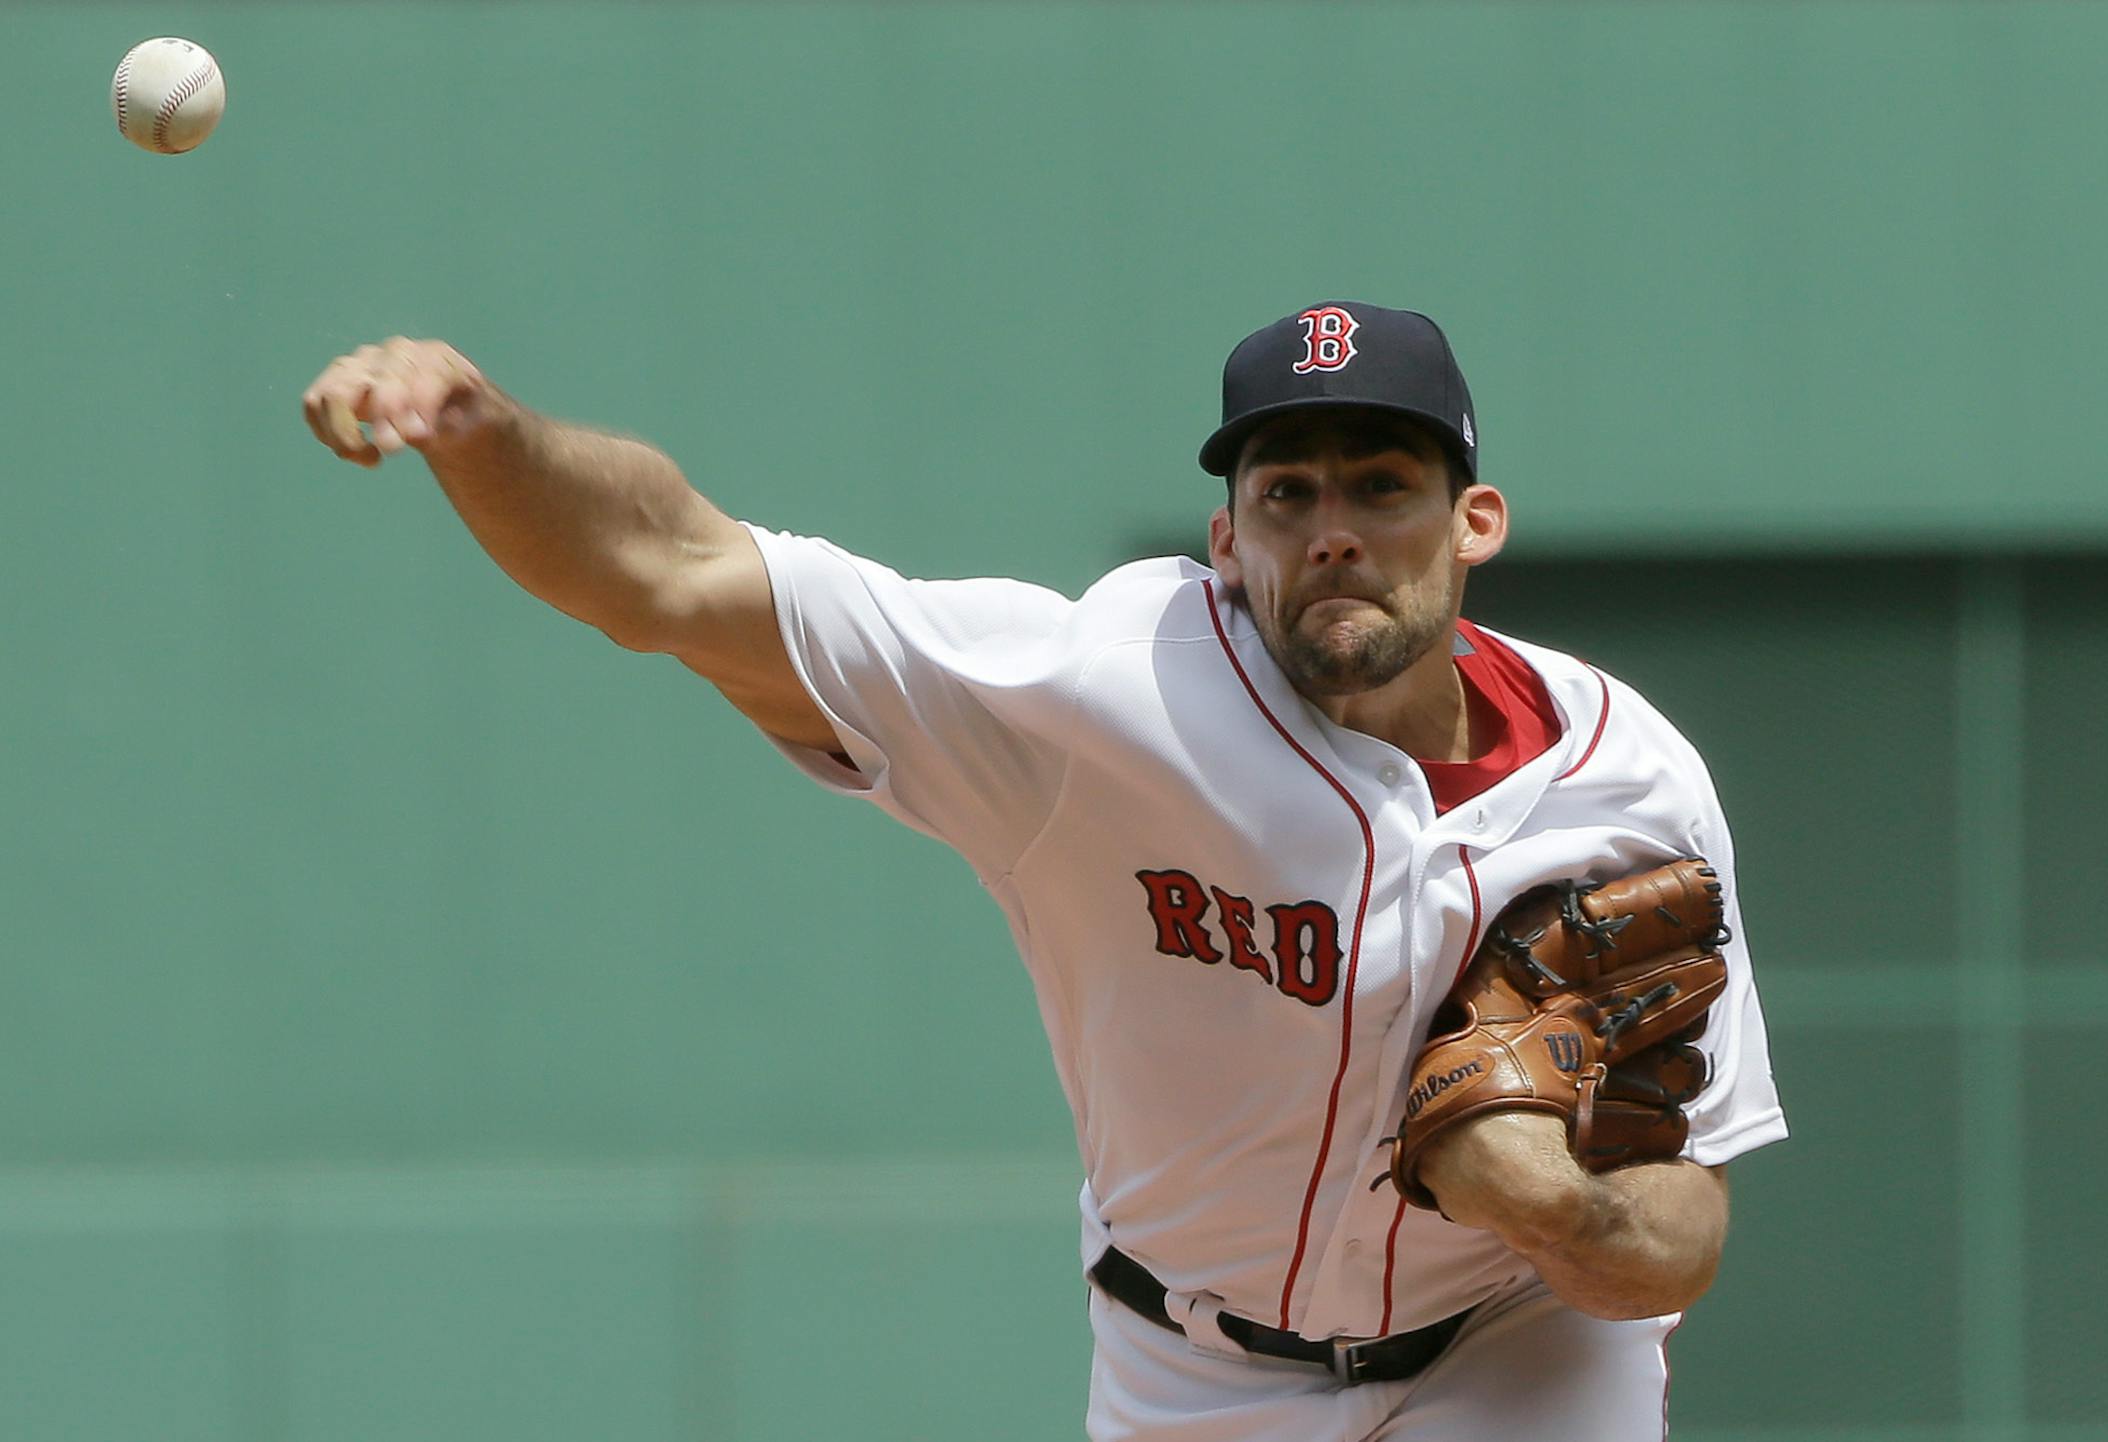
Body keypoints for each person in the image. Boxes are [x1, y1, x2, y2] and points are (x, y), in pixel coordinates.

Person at [300, 300, 1785, 1440]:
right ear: (1227, 537)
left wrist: (1555, 1208)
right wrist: (487, 435)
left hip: (1512, 1351)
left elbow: (1680, 1235)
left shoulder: (1631, 785)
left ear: (1474, 522)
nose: (1333, 533)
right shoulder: (1106, 693)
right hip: (1195, 1366)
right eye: (1288, 495)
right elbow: (673, 572)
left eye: (1382, 484)